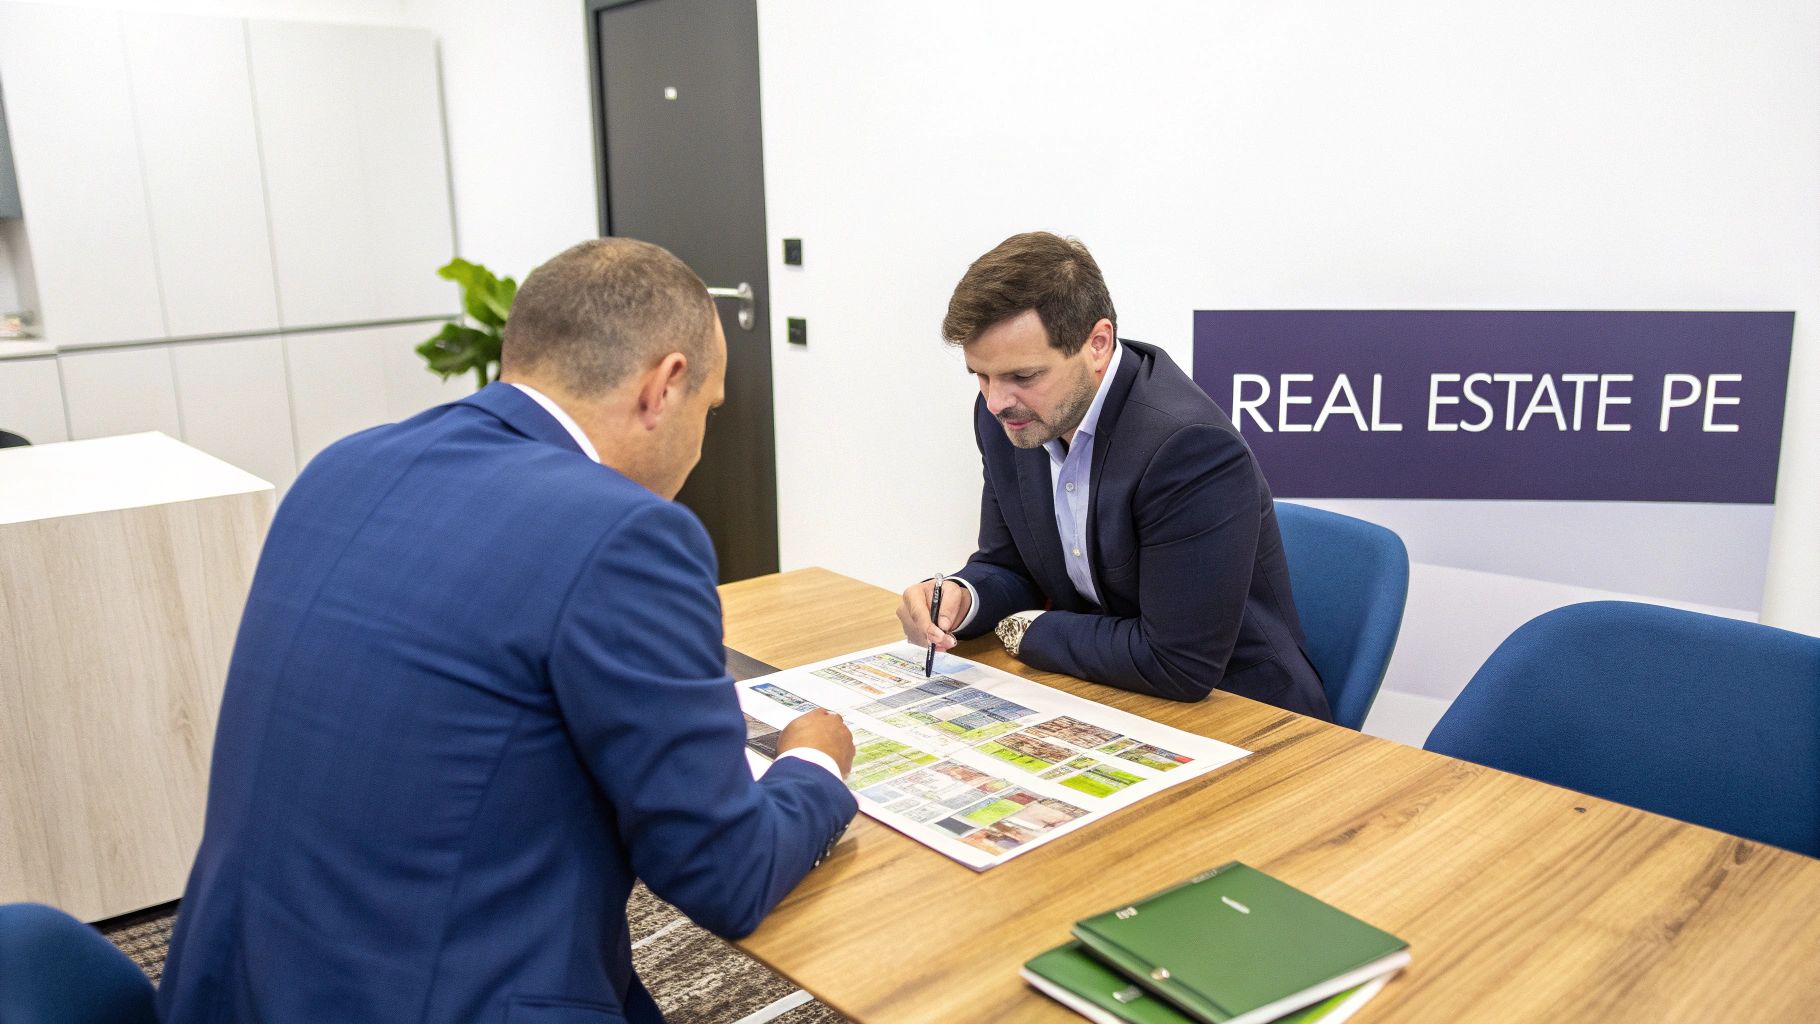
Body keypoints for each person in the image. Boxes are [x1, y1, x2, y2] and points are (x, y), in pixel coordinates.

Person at [157, 238, 858, 1023]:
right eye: (710, 408)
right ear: (664, 387)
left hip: (231, 988)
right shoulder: (624, 533)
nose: (702, 439)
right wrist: (813, 766)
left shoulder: (339, 467)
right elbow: (725, 876)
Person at [896, 232, 1331, 719]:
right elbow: (1010, 565)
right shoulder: (1010, 417)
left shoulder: (1187, 446)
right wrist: (962, 597)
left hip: (1244, 712)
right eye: (981, 375)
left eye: (1023, 376)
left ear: (1097, 345)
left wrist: (1027, 630)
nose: (996, 401)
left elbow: (1177, 662)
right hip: (1106, 690)